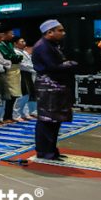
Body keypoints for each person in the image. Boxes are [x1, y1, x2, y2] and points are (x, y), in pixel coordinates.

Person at [32, 20, 77, 162]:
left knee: (54, 121)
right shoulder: (42, 47)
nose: (63, 33)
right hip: (48, 87)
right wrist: (69, 64)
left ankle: (51, 150)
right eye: (60, 30)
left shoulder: (51, 45)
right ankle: (45, 152)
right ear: (49, 32)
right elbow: (52, 66)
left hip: (54, 87)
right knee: (47, 121)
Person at [0, 26, 22, 122]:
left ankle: (9, 116)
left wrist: (17, 57)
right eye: (11, 34)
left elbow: (15, 56)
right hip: (8, 71)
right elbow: (8, 56)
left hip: (15, 70)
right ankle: (6, 116)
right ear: (5, 35)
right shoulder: (0, 45)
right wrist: (17, 57)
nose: (13, 35)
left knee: (15, 95)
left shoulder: (9, 44)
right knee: (9, 95)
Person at [14, 37, 37, 119]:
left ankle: (24, 113)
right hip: (21, 73)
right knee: (22, 95)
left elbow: (28, 63)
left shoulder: (24, 52)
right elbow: (22, 65)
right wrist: (34, 68)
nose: (24, 42)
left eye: (24, 41)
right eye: (22, 41)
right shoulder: (15, 52)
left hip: (28, 74)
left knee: (27, 94)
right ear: (15, 44)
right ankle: (16, 114)